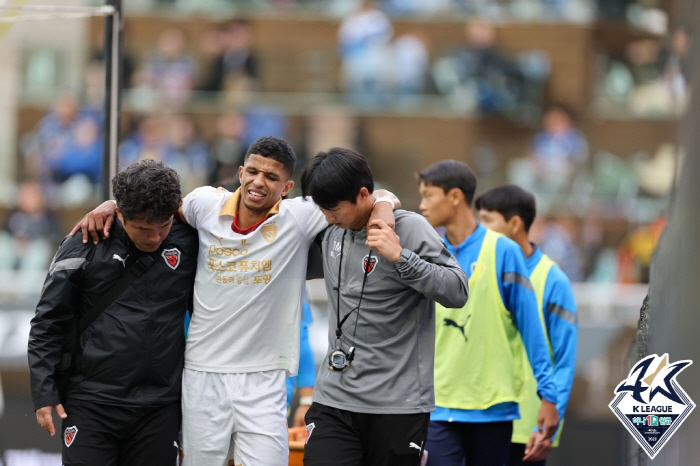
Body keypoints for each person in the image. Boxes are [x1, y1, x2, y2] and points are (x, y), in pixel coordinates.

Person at [73, 136, 399, 466]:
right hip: (203, 373)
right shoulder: (204, 204)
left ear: (286, 187)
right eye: (254, 172)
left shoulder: (300, 217)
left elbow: (378, 195)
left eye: (271, 177)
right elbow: (150, 203)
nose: (259, 182)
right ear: (242, 172)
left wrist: (384, 207)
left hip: (265, 377)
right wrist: (111, 205)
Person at [301, 148, 469, 466]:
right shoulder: (330, 231)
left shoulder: (410, 229)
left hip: (398, 405)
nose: (327, 217)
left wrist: (401, 257)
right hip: (334, 400)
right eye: (322, 209)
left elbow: (457, 291)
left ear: (362, 194)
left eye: (333, 208)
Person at [28, 160, 198, 466]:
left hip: (160, 407)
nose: (156, 237)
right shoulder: (83, 243)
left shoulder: (189, 238)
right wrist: (44, 392)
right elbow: (47, 322)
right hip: (92, 404)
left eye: (164, 226)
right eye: (145, 228)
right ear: (119, 213)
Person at [417, 160, 559, 466]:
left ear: (455, 197)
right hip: (438, 407)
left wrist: (549, 397)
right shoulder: (427, 251)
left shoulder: (504, 251)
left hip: (493, 408)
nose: (422, 205)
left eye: (428, 196)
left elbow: (532, 329)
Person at [475, 184, 578, 466]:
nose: (480, 229)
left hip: (526, 428)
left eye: (487, 220)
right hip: (482, 419)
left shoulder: (553, 280)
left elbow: (565, 360)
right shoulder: (479, 271)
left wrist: (546, 423)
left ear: (515, 223)